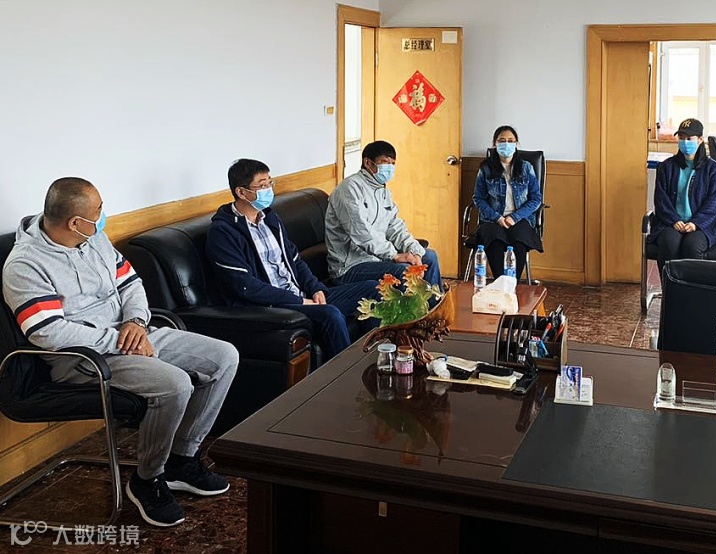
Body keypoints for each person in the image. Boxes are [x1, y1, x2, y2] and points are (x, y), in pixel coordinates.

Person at [2, 178, 239, 528]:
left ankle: (181, 460)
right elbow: (49, 333)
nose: (103, 216)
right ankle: (147, 479)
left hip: (133, 334)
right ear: (74, 222)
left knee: (224, 357)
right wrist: (120, 340)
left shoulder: (92, 238)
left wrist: (136, 322)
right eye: (98, 210)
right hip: (84, 357)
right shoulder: (25, 265)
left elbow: (131, 284)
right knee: (174, 385)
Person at [205, 159, 379, 361]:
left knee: (373, 289)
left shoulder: (270, 219)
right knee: (330, 314)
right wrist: (299, 301)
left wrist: (316, 288)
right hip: (271, 307)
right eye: (262, 185)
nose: (269, 190)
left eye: (270, 183)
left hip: (299, 294)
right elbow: (246, 287)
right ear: (241, 192)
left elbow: (295, 260)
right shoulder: (223, 232)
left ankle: (374, 358)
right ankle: (346, 371)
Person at [325, 140, 442, 288]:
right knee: (405, 270)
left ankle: (433, 301)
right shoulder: (349, 189)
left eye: (392, 164)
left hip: (377, 258)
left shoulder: (383, 191)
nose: (390, 168)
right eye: (385, 162)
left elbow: (395, 226)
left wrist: (414, 251)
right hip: (350, 267)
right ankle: (415, 304)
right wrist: (394, 255)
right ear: (368, 163)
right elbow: (361, 233)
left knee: (429, 256)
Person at [646, 118, 716, 271]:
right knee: (669, 243)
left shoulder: (713, 170)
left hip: (702, 226)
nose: (685, 142)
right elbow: (661, 200)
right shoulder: (666, 167)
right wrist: (674, 220)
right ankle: (669, 285)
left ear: (700, 140)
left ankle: (692, 286)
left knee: (692, 246)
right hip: (670, 223)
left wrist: (696, 223)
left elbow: (713, 203)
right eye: (681, 138)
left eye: (689, 138)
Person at [469, 125, 543, 280]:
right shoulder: (486, 169)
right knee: (493, 239)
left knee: (519, 240)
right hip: (493, 219)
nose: (506, 144)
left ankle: (511, 284)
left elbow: (536, 198)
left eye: (510, 140)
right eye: (502, 141)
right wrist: (497, 218)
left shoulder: (526, 168)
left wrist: (515, 217)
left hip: (520, 219)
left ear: (516, 144)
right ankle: (500, 282)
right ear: (495, 144)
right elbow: (478, 198)